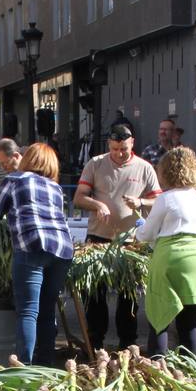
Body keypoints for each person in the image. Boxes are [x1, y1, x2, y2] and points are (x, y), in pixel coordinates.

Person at [0, 143, 71, 365]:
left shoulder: (14, 180)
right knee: (47, 311)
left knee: (28, 311)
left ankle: (25, 366)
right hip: (63, 250)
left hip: (32, 246)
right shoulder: (55, 187)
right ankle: (47, 365)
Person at [73, 123, 161, 349]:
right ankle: (94, 340)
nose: (119, 154)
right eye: (114, 150)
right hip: (98, 237)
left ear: (132, 143)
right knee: (95, 293)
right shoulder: (96, 163)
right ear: (109, 146)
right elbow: (79, 197)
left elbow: (158, 200)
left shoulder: (144, 168)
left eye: (124, 149)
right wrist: (97, 204)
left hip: (130, 241)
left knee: (128, 295)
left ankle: (127, 342)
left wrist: (141, 202)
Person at [135, 147, 196, 358]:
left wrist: (139, 228)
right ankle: (191, 370)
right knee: (188, 322)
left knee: (160, 319)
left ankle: (158, 368)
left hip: (171, 258)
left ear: (165, 172)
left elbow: (146, 234)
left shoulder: (166, 199)